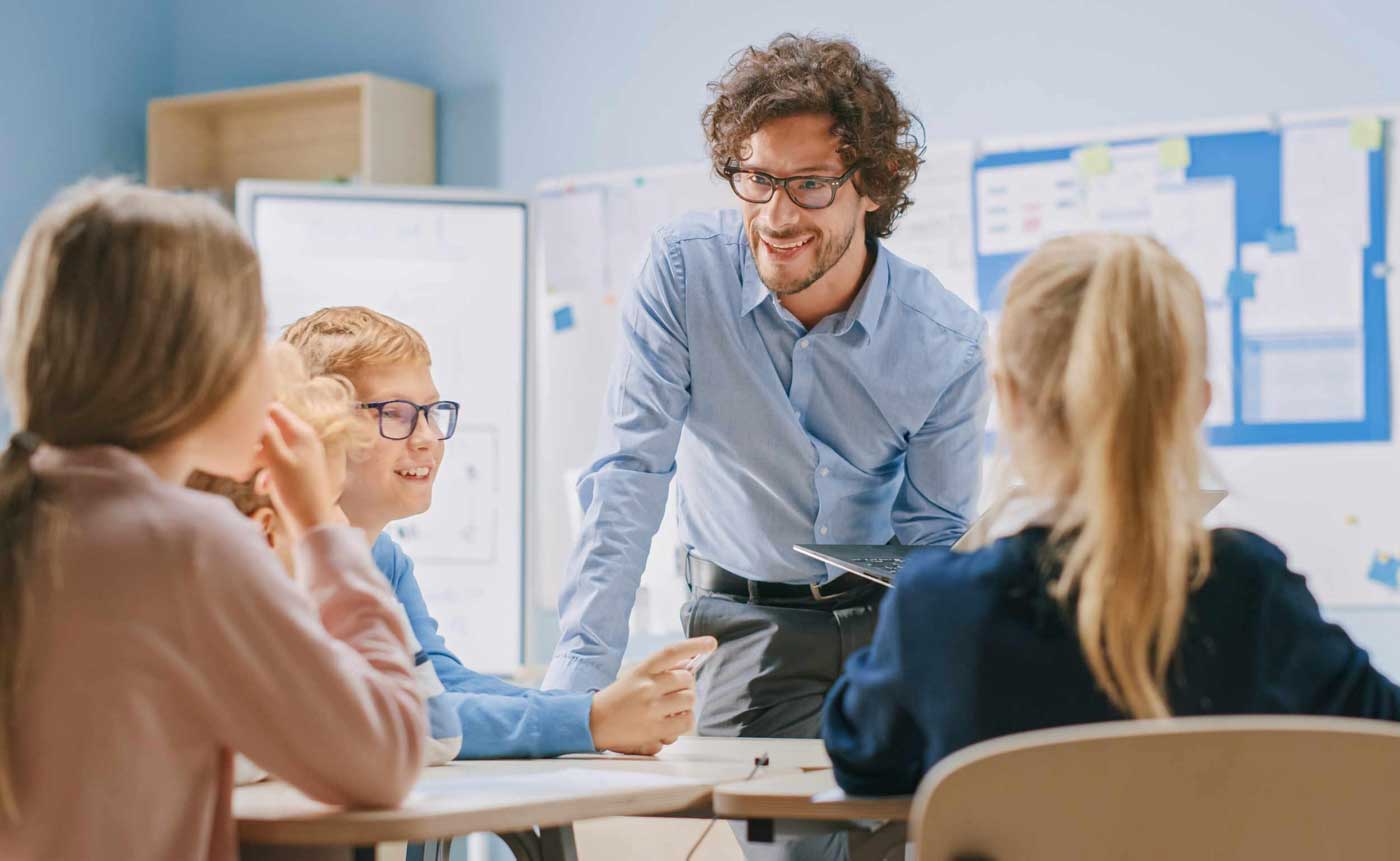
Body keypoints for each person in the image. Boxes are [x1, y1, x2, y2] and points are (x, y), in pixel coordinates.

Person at [822, 233, 1400, 796]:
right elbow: (1383, 733)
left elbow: (860, 755)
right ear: (1194, 404)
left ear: (1009, 397)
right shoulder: (1251, 587)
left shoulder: (943, 605)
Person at [544, 34, 988, 748]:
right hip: (744, 623)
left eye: (811, 184)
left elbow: (932, 544)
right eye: (757, 179)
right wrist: (572, 702)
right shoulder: (685, 275)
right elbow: (629, 477)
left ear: (872, 186)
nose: (777, 217)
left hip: (884, 630)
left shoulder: (946, 344)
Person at [0, 180, 423, 860]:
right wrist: (319, 524)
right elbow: (388, 753)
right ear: (193, 364)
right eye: (253, 333)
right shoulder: (186, 544)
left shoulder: (32, 515)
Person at [282, 306, 714, 758]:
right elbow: (421, 720)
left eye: (432, 412)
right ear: (321, 428)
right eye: (395, 413)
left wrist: (597, 709)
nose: (427, 437)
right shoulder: (278, 559)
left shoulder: (384, 557)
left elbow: (443, 683)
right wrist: (590, 721)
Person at [187, 346, 462, 778]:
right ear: (265, 529)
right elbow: (430, 735)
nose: (341, 523)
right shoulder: (270, 650)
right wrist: (332, 544)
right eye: (329, 504)